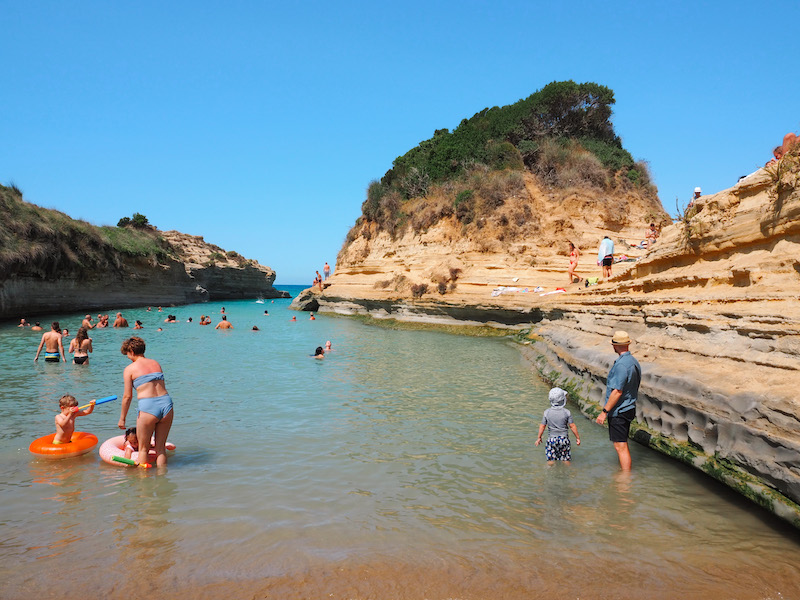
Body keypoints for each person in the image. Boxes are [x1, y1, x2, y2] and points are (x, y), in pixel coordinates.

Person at [119, 336, 174, 467]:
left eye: (127, 354)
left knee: (143, 449)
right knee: (160, 449)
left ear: (131, 351)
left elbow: (127, 396)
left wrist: (122, 418)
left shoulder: (129, 369)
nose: (128, 357)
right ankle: (162, 481)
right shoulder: (155, 363)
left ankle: (143, 485)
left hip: (148, 406)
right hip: (167, 404)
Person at [595, 331, 641, 471]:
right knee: (622, 444)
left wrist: (604, 412)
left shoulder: (621, 365)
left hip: (620, 410)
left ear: (615, 345)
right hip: (629, 407)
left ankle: (625, 479)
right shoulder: (633, 361)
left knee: (620, 446)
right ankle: (624, 473)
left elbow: (617, 391)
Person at [535, 387, 581, 465]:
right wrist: (577, 438)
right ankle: (570, 473)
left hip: (552, 439)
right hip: (564, 439)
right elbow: (572, 426)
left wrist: (539, 437)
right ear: (563, 400)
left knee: (550, 460)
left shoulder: (547, 412)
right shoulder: (567, 412)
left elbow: (542, 426)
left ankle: (549, 472)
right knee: (566, 459)